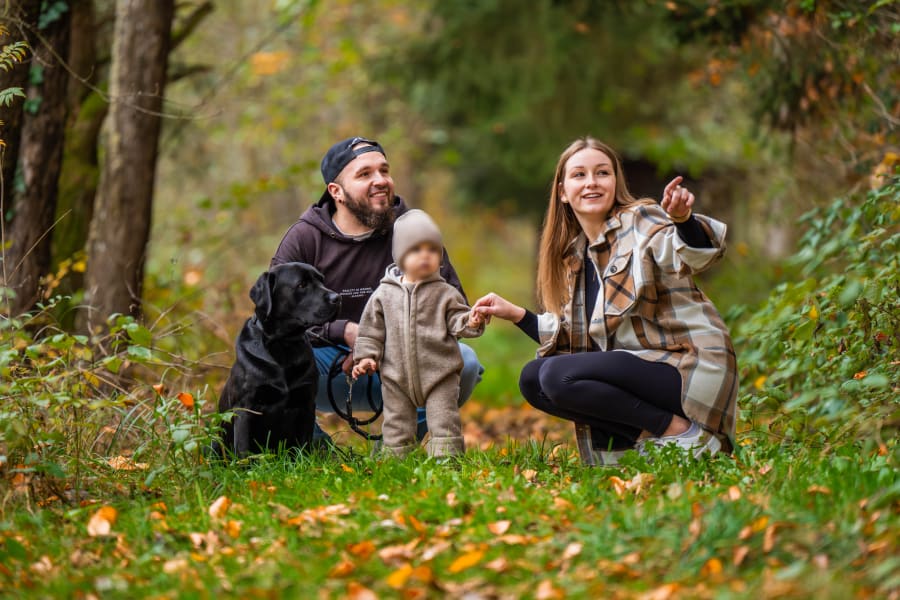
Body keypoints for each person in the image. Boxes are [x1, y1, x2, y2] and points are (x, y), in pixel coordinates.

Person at [472, 137, 738, 466]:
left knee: (556, 375)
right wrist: (515, 314)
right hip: (639, 368)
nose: (592, 183)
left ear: (615, 182)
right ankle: (654, 444)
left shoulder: (640, 218)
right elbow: (576, 336)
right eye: (579, 175)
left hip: (686, 366)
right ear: (562, 192)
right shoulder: (575, 255)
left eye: (602, 173)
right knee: (533, 378)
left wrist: (683, 220)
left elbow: (685, 255)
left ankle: (678, 432)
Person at [270, 136, 484, 442]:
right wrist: (344, 332)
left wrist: (382, 342)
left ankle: (394, 446)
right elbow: (274, 322)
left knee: (467, 362)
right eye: (365, 174)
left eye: (384, 170)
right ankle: (313, 445)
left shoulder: (412, 232)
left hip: (400, 365)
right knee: (272, 358)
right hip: (323, 370)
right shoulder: (305, 239)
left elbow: (452, 309)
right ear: (336, 191)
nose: (380, 180)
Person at [352, 210, 485, 457]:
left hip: (439, 375)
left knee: (444, 421)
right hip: (395, 376)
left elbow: (458, 321)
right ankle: (396, 460)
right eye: (416, 250)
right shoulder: (384, 295)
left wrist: (472, 321)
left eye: (433, 250)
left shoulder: (445, 293)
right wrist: (366, 357)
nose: (426, 255)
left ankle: (447, 460)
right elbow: (370, 331)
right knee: (396, 424)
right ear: (401, 256)